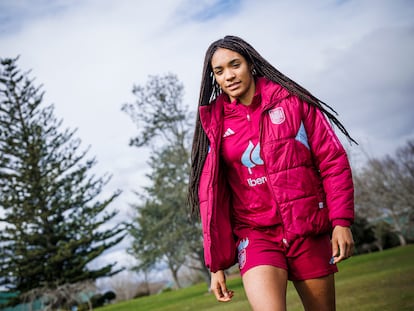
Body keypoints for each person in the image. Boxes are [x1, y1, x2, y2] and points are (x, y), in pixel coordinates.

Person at [187, 35, 355, 311]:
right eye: (219, 71)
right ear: (214, 77)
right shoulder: (214, 122)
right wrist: (215, 264)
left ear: (250, 64)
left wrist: (341, 221)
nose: (228, 76)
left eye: (235, 65)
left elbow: (332, 160)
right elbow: (211, 197)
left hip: (306, 228)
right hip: (255, 235)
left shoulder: (293, 102)